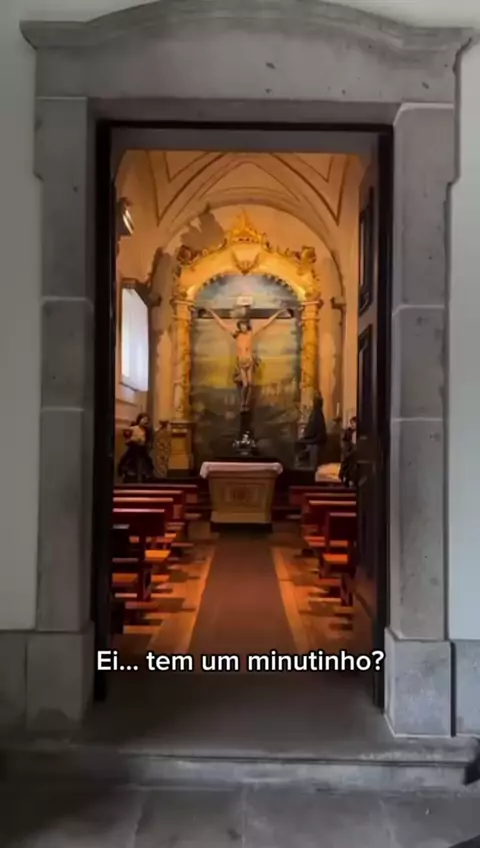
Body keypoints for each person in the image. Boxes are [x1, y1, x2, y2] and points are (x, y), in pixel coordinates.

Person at [202, 307, 291, 412]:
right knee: (245, 384)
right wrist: (211, 313)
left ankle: (246, 403)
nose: (243, 327)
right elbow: (222, 324)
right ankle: (243, 403)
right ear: (239, 326)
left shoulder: (250, 334)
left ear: (247, 326)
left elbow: (264, 324)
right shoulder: (236, 335)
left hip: (249, 361)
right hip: (241, 362)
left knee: (250, 384)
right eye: (241, 326)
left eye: (244, 325)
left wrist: (278, 313)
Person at [118, 412, 155, 482]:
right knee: (126, 457)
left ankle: (144, 474)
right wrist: (130, 438)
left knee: (146, 459)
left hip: (142, 448)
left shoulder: (147, 429)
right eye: (143, 419)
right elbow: (127, 436)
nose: (144, 421)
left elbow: (149, 440)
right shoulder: (133, 427)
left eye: (146, 420)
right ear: (139, 419)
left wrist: (145, 444)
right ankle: (121, 469)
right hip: (133, 448)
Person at [339, 416, 358, 487]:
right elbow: (344, 442)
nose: (352, 425)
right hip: (349, 451)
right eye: (351, 423)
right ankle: (345, 478)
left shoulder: (360, 433)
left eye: (354, 423)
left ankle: (351, 480)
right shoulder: (348, 432)